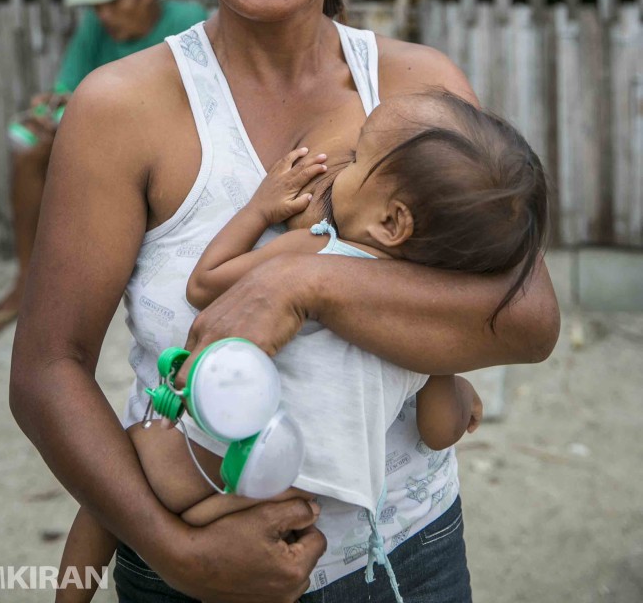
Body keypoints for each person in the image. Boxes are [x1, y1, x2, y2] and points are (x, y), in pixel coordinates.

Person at [10, 0, 560, 603]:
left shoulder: (419, 94)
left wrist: (302, 289)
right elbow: (47, 369)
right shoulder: (121, 110)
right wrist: (177, 552)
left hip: (408, 556)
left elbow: (526, 319)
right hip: (189, 570)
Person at [56, 88, 548, 602]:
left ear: (392, 221)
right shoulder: (424, 321)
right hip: (302, 498)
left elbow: (206, 283)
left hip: (213, 455)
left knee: (114, 482)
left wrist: (258, 209)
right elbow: (440, 431)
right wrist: (449, 370)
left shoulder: (320, 249)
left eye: (357, 159)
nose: (341, 164)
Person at [0, 0, 207, 347]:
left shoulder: (188, 21)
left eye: (114, 0)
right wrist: (52, 110)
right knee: (29, 151)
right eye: (97, 4)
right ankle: (26, 279)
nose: (104, 13)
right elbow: (69, 89)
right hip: (100, 145)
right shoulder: (95, 26)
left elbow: (194, 111)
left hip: (165, 152)